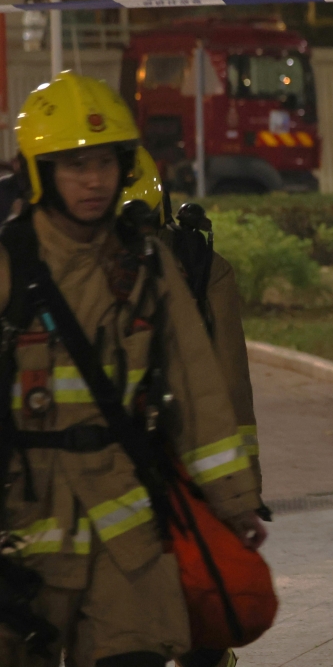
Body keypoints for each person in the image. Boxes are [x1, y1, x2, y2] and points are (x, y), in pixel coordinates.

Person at [0, 72, 264, 666]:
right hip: (26, 533)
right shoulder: (9, 266)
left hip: (129, 537)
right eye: (75, 165)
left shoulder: (149, 268)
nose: (94, 180)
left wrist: (233, 502)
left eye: (105, 162)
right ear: (37, 172)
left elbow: (201, 392)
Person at [120, 148, 265, 667]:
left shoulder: (201, 272)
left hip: (180, 472)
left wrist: (240, 490)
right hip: (115, 479)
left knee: (195, 617)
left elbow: (228, 388)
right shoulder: (45, 269)